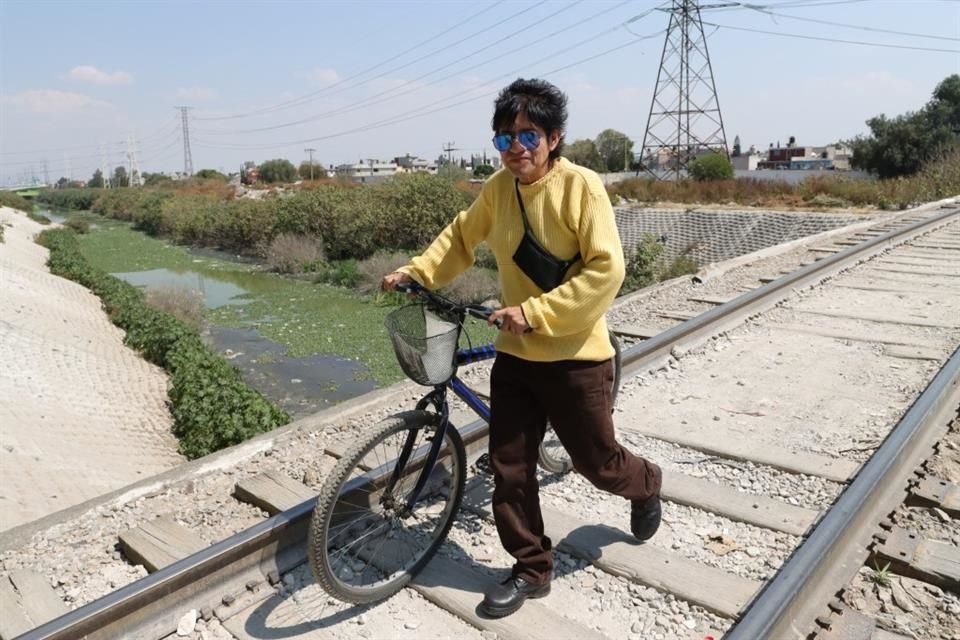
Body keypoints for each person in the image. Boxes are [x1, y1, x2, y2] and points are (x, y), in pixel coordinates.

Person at [382, 78, 662, 618]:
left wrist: (534, 312)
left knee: (598, 464)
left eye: (528, 136)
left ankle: (646, 482)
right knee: (510, 467)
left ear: (554, 137)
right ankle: (532, 568)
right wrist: (413, 272)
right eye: (505, 138)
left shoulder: (582, 187)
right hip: (516, 356)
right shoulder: (497, 189)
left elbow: (608, 268)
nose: (516, 149)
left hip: (577, 356)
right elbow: (461, 238)